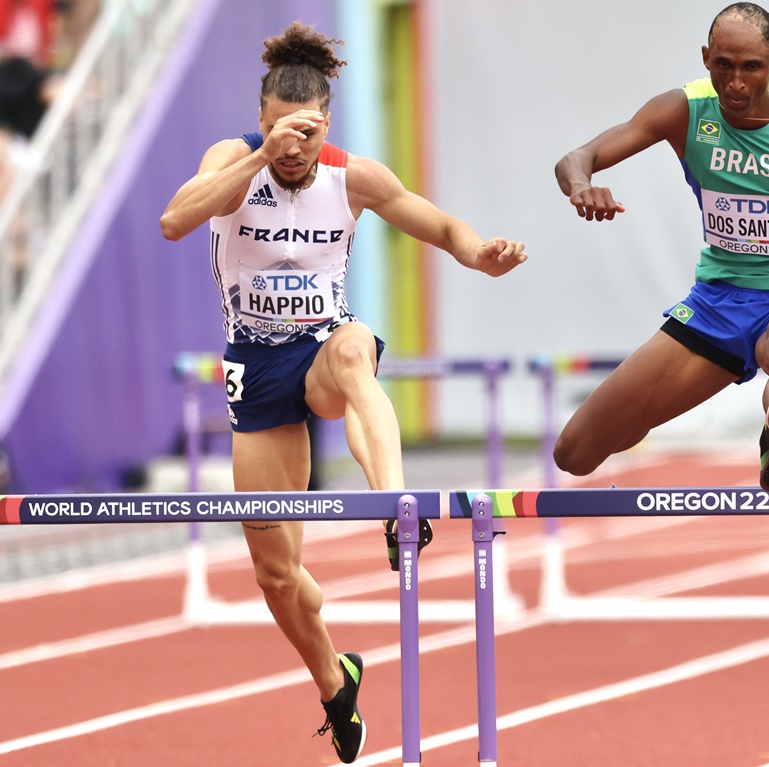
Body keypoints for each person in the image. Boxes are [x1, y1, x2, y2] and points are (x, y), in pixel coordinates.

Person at [159, 22, 526, 764]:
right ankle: (334, 677)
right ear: (262, 121)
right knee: (277, 573)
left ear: (326, 123)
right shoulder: (238, 159)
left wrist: (479, 254)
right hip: (254, 368)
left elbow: (441, 222)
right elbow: (175, 220)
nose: (292, 149)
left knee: (357, 350)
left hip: (322, 349)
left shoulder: (351, 175)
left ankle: (398, 511)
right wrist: (259, 155)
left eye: (305, 134)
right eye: (278, 132)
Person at [553, 2, 769, 492]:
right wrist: (580, 186)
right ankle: (640, 420)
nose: (736, 83)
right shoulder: (684, 111)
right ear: (706, 58)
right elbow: (578, 157)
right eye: (724, 65)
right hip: (718, 302)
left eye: (751, 68)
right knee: (575, 453)